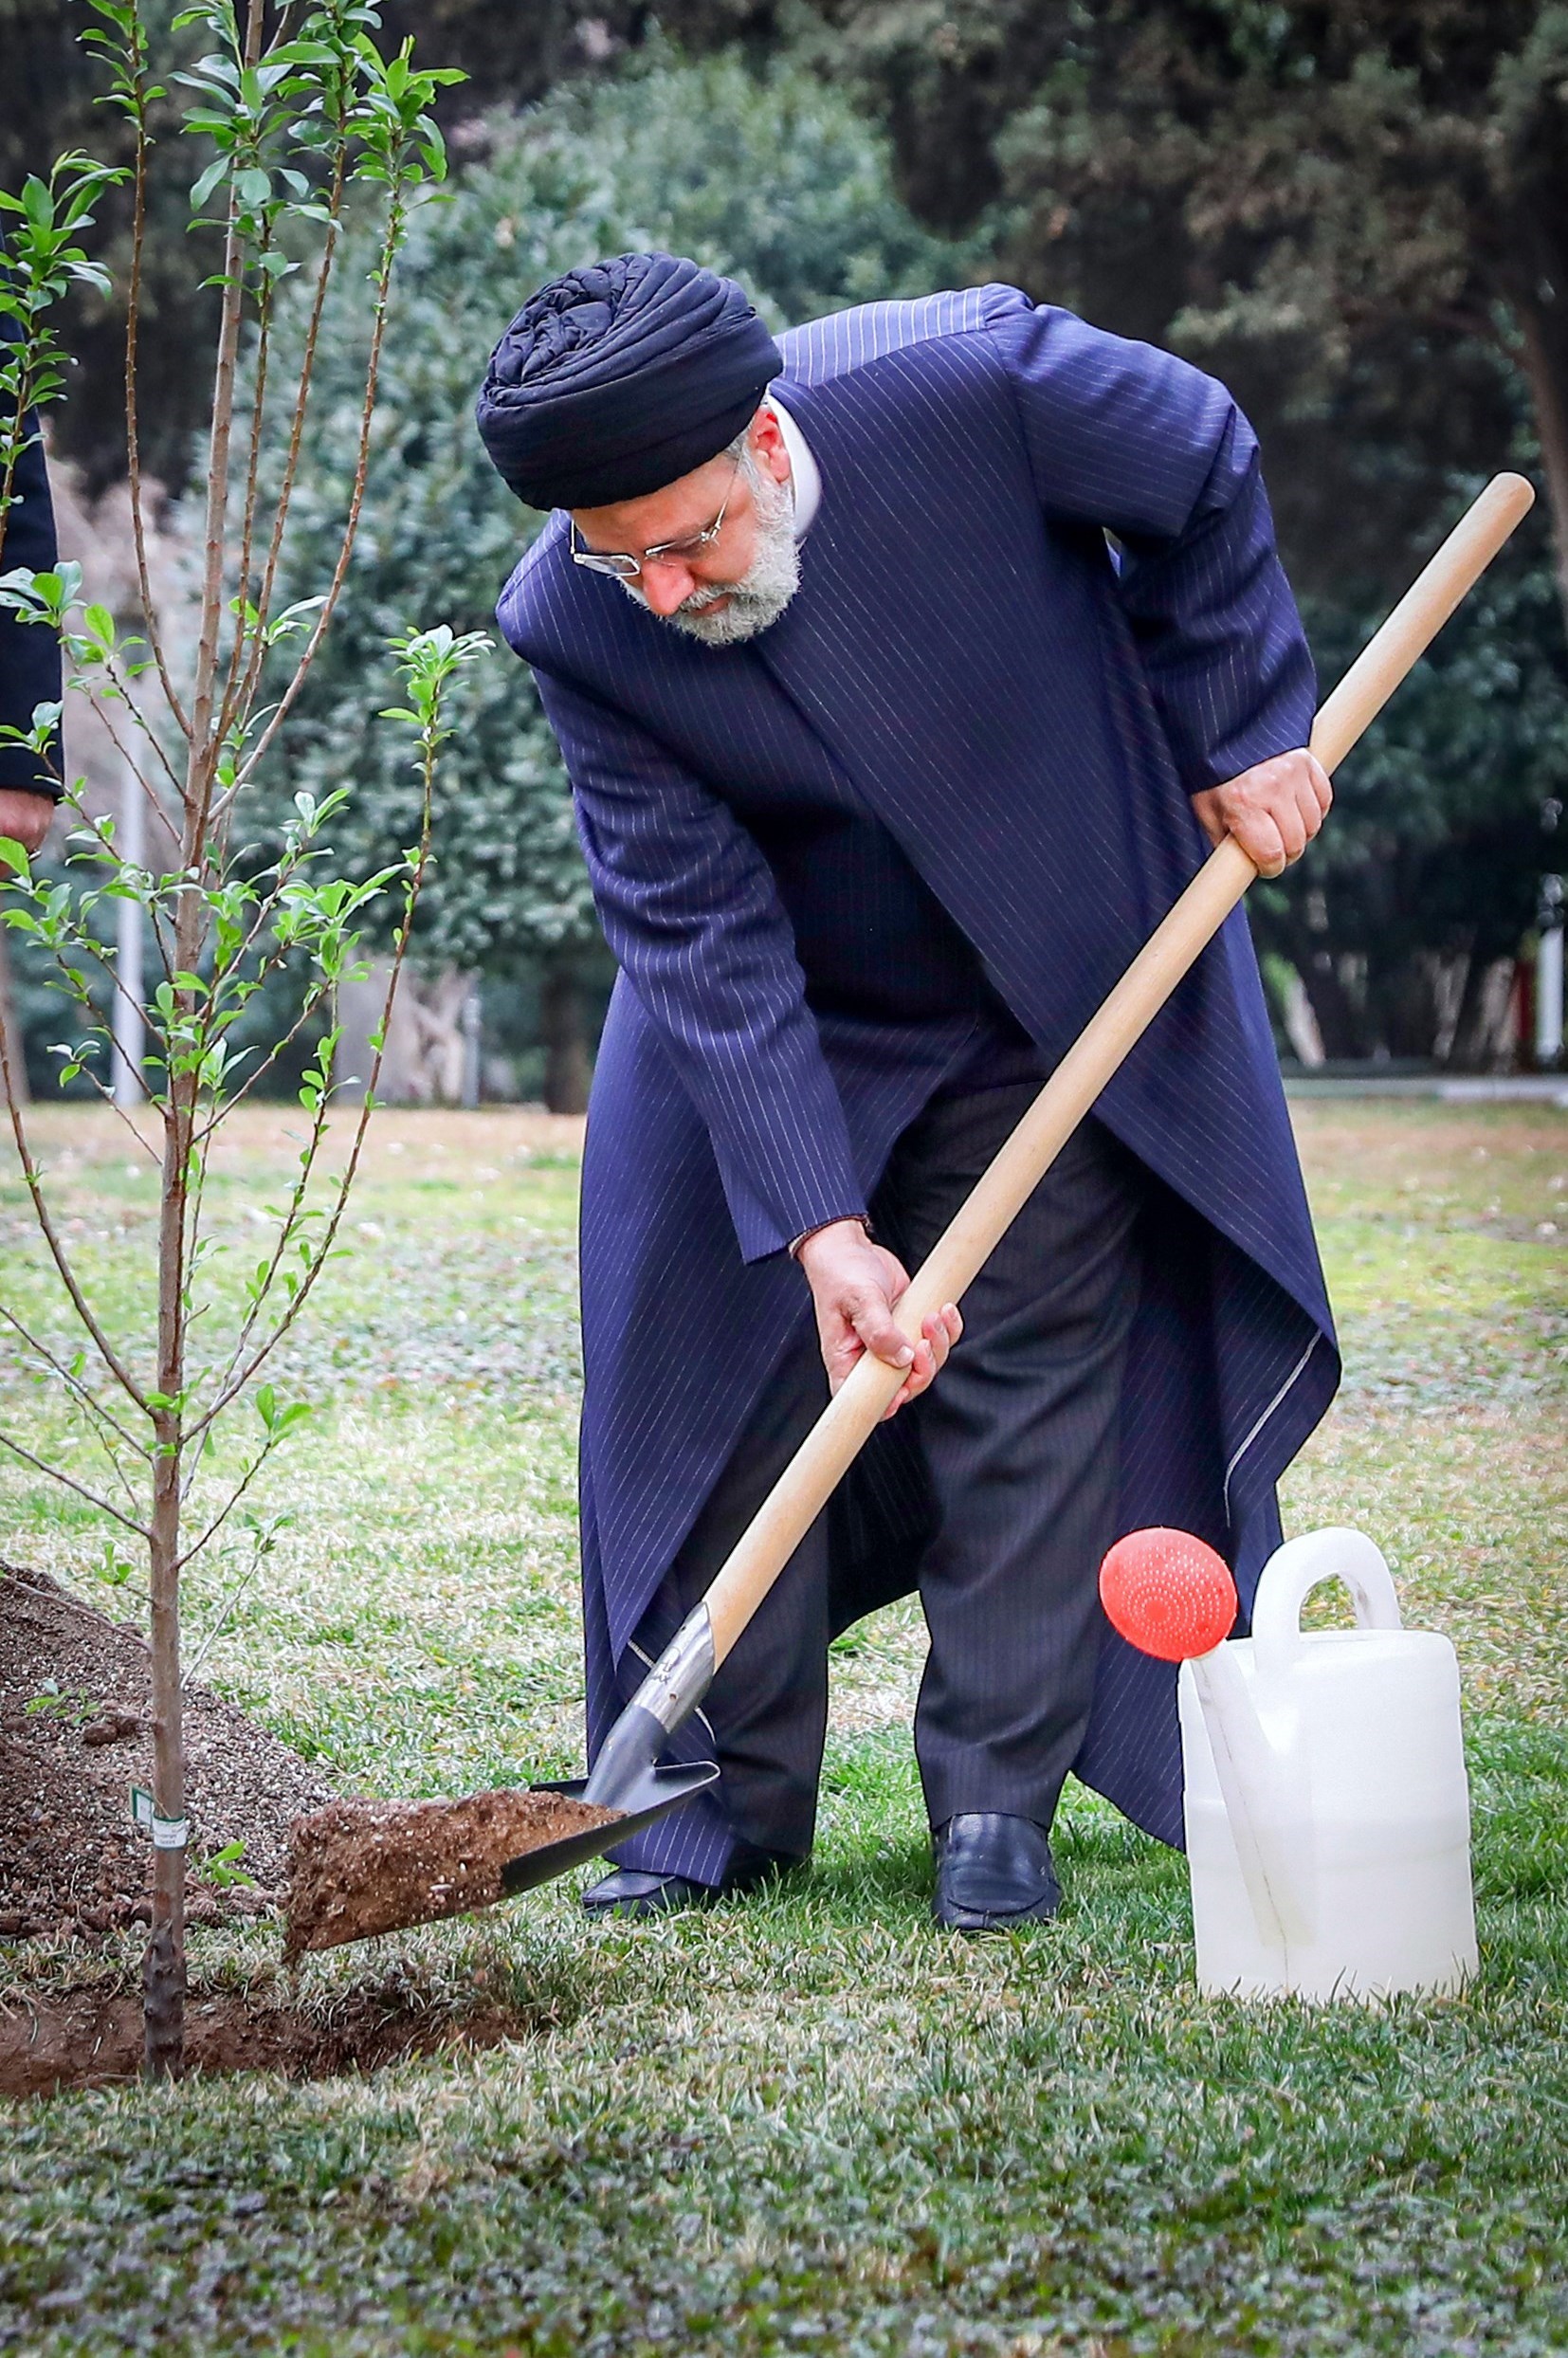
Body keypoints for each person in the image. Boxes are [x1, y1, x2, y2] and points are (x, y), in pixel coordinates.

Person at [476, 253, 1337, 1928]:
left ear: (765, 441)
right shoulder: (573, 617)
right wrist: (815, 1220)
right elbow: (696, 930)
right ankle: (699, 1813)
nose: (656, 589)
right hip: (781, 1004)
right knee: (716, 1366)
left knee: (1032, 1375)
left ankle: (995, 1812)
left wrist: (1238, 722)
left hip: (1057, 969)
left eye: (687, 539)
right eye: (617, 556)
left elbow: (1206, 458)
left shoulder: (977, 383)